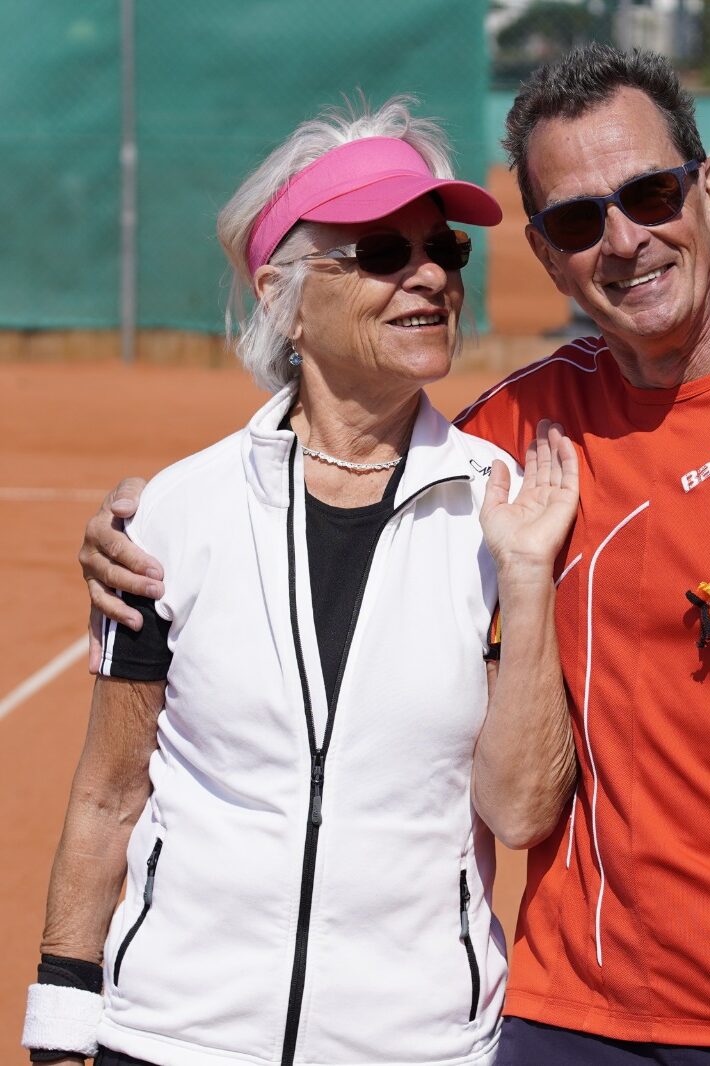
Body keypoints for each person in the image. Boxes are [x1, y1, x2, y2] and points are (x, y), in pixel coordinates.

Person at [78, 45, 710, 1066]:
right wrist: (143, 517)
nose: (625, 240)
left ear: (708, 192)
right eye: (580, 220)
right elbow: (338, 461)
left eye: (651, 193)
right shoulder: (504, 437)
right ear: (546, 253)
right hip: (574, 1020)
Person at [25, 97, 579, 1066]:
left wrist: (527, 582)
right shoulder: (175, 515)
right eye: (378, 253)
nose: (428, 278)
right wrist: (63, 1010)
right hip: (170, 1038)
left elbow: (522, 810)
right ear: (283, 291)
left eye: (442, 250)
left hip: (413, 1046)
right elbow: (110, 792)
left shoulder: (503, 511)